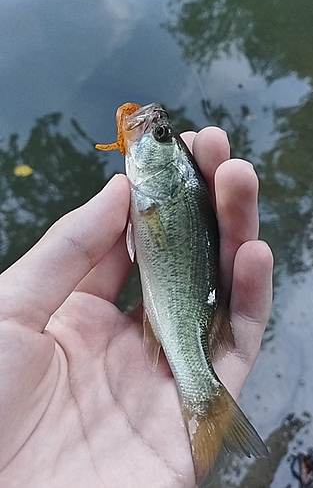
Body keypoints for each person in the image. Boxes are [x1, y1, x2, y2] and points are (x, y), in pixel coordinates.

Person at [0, 127, 273, 487]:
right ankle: (207, 410)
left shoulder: (162, 196)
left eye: (160, 133)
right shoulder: (155, 197)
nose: (147, 129)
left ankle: (206, 403)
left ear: (171, 171)